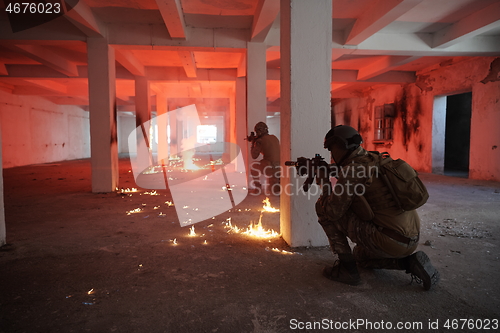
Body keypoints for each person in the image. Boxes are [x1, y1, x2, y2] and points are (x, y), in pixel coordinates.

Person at [314, 125, 439, 290]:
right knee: (360, 256)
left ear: (340, 146)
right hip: (409, 238)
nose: (332, 154)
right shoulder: (375, 158)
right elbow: (355, 176)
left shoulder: (352, 170)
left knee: (323, 208)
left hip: (388, 239)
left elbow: (333, 211)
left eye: (332, 149)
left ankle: (346, 270)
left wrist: (324, 182)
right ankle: (409, 263)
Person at [249, 121, 280, 194]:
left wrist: (253, 143)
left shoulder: (260, 141)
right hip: (280, 166)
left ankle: (257, 188)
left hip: (270, 167)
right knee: (274, 189)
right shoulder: (274, 137)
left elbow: (254, 156)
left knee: (253, 166)